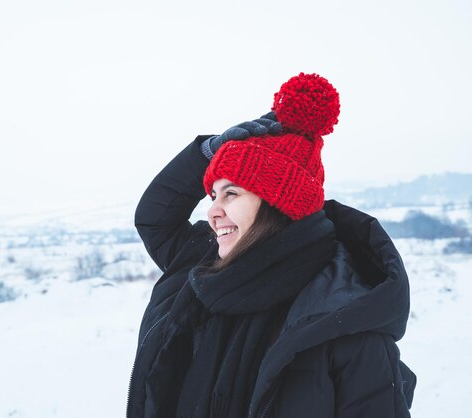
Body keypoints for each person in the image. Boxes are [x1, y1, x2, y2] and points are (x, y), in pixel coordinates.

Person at [127, 73, 416, 418]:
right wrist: (208, 152)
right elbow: (155, 218)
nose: (213, 211)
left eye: (231, 193)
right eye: (212, 194)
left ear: (280, 203)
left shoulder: (345, 322)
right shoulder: (202, 267)